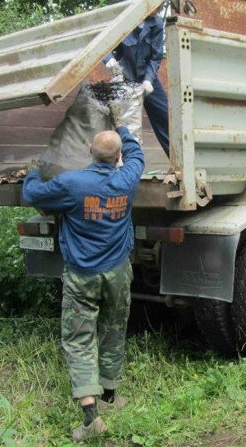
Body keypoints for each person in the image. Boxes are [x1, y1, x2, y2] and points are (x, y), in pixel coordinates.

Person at [22, 126, 145, 441]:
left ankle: (91, 418)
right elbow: (137, 155)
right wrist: (122, 128)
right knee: (114, 326)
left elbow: (30, 194)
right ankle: (111, 394)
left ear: (90, 152)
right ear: (118, 156)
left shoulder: (71, 184)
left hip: (82, 273)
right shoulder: (128, 178)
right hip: (118, 271)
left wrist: (34, 171)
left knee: (79, 339)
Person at [104, 0, 170, 157]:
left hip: (147, 77)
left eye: (161, 6)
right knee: (127, 125)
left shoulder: (156, 23)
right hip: (125, 77)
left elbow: (156, 56)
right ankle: (124, 165)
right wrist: (108, 58)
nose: (160, 9)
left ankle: (179, 161)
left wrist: (149, 79)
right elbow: (104, 42)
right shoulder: (124, 18)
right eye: (157, 5)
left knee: (166, 115)